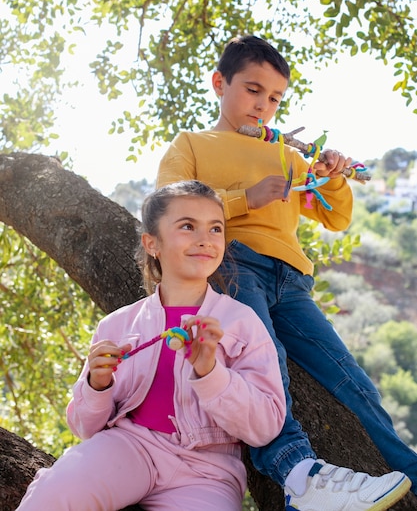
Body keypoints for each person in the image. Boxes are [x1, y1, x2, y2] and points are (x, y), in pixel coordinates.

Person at [156, 34, 416, 510]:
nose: (264, 105)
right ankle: (298, 476)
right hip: (234, 264)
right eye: (253, 90)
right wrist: (244, 198)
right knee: (265, 363)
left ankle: (411, 472)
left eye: (275, 97)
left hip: (291, 280)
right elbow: (169, 207)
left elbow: (335, 217)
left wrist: (333, 176)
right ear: (220, 83)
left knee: (351, 378)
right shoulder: (194, 143)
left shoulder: (286, 156)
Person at [16, 180, 286, 511]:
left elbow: (266, 427)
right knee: (55, 493)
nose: (205, 239)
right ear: (152, 243)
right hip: (128, 447)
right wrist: (96, 385)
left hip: (207, 472)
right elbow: (85, 427)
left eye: (215, 229)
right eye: (188, 226)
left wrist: (210, 372)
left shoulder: (241, 322)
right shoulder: (117, 325)